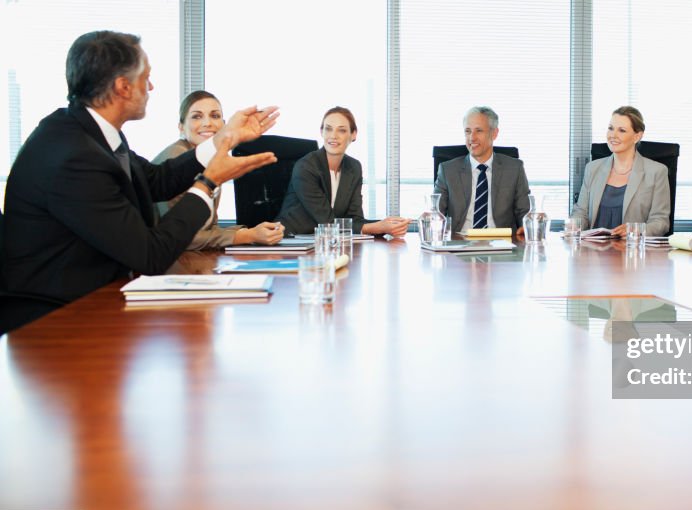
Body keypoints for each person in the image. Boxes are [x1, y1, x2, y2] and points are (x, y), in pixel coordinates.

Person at [1, 30, 279, 309]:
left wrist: (223, 139)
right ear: (123, 87)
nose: (152, 87)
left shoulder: (92, 132)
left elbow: (156, 181)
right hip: (53, 317)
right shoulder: (74, 156)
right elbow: (150, 254)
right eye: (146, 78)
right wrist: (208, 182)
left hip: (97, 298)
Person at [154, 90, 284, 249]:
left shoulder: (213, 159)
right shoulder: (175, 159)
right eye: (197, 116)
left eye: (215, 116)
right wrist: (247, 235)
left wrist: (254, 231)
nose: (207, 123)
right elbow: (180, 235)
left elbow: (207, 228)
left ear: (224, 124)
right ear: (181, 127)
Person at [276, 106, 408, 236]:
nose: (333, 136)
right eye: (328, 129)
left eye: (342, 130)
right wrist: (377, 227)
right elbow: (327, 222)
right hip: (291, 242)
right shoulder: (306, 167)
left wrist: (389, 225)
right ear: (322, 132)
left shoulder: (354, 167)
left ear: (353, 134)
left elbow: (355, 219)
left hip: (330, 242)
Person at [570, 106, 671, 237]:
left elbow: (660, 222)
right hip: (594, 251)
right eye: (610, 128)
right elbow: (581, 212)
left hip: (632, 252)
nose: (613, 135)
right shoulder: (593, 168)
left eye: (622, 130)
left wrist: (635, 230)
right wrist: (573, 225)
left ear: (637, 136)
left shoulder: (656, 172)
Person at [434, 106, 531, 234]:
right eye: (468, 131)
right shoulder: (447, 170)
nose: (472, 138)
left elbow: (525, 212)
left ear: (494, 133)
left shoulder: (514, 168)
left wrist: (527, 226)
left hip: (501, 244)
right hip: (459, 244)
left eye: (478, 131)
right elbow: (435, 212)